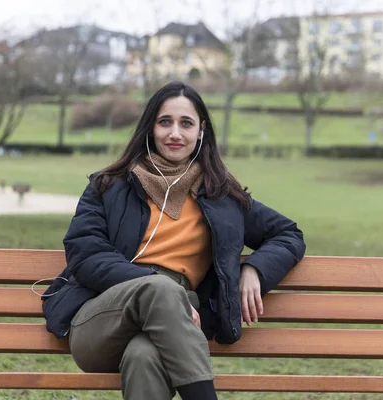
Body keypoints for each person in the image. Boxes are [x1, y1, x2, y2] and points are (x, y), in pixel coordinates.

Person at [42, 80, 306, 399]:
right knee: (162, 288)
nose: (175, 133)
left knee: (144, 357)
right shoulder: (108, 186)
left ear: (201, 131)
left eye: (186, 123)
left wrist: (254, 270)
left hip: (176, 324)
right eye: (165, 122)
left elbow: (288, 234)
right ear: (150, 128)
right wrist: (155, 283)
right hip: (102, 318)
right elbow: (86, 257)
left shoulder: (223, 197)